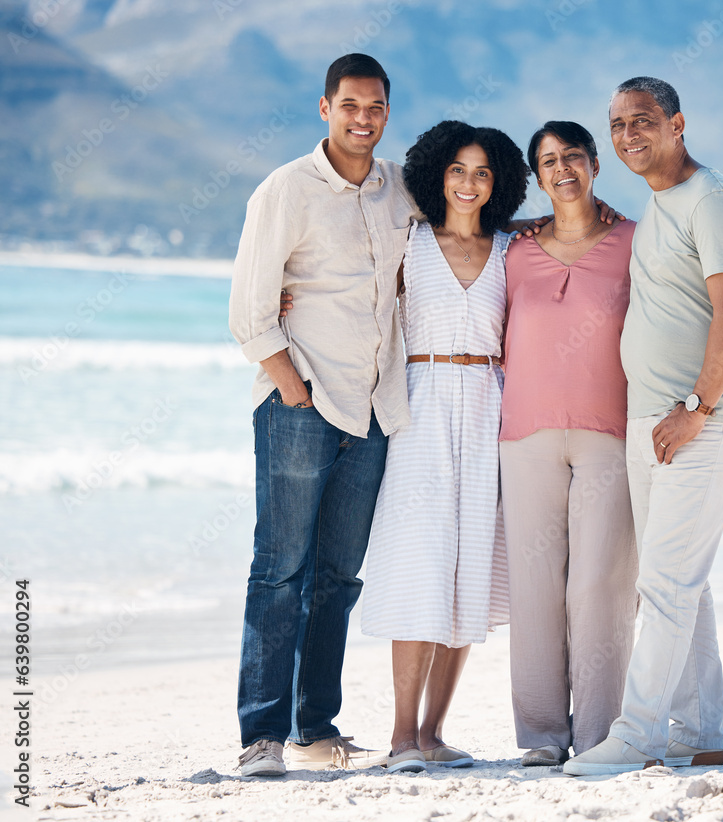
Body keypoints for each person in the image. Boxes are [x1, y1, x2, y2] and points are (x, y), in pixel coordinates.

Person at [502, 122, 723, 768]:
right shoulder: (516, 248)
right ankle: (675, 732)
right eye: (547, 162)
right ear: (536, 177)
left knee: (619, 586)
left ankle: (613, 732)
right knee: (575, 586)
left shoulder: (641, 231)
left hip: (631, 428)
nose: (561, 169)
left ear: (596, 165)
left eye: (573, 156)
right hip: (544, 430)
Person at [228, 53, 418, 777]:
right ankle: (262, 737)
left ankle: (316, 727)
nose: (362, 119)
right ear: (324, 108)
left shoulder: (402, 189)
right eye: (349, 106)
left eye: (374, 107)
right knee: (281, 570)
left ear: (386, 112)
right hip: (302, 405)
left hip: (373, 410)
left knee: (338, 576)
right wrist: (293, 390)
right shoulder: (285, 190)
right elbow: (250, 311)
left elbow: (472, 220)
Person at [359, 121, 529, 773]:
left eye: (483, 172)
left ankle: (433, 733)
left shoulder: (512, 250)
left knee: (470, 572)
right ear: (437, 173)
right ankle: (401, 737)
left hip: (489, 406)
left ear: (500, 182)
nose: (468, 182)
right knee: (418, 566)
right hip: (421, 407)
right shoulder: (410, 241)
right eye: (458, 169)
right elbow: (357, 296)